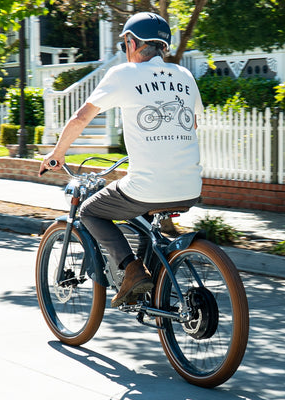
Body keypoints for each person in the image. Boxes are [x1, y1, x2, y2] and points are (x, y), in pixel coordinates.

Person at [39, 12, 203, 308]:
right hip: (191, 185)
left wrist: (57, 153)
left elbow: (81, 117)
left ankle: (131, 270)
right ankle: (153, 289)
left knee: (90, 211)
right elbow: (189, 125)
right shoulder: (185, 75)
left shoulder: (124, 74)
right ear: (163, 46)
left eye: (125, 43)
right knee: (145, 223)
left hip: (149, 187)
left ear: (131, 42)